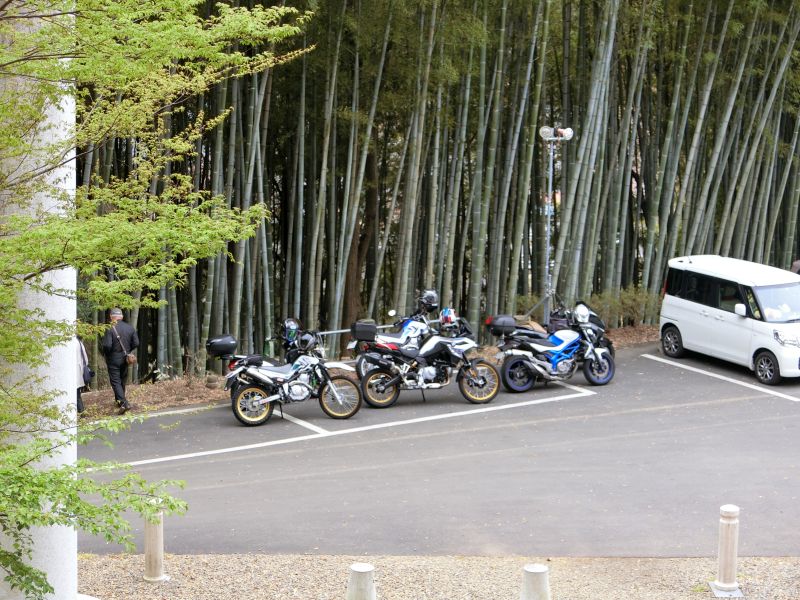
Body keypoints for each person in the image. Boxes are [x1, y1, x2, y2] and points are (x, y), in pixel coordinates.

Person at [101, 308, 138, 414]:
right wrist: (128, 350)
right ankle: (119, 401)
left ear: (111, 317)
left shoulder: (109, 328)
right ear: (121, 316)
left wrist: (107, 354)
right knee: (122, 379)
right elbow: (136, 343)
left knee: (115, 381)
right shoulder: (129, 327)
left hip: (113, 358)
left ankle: (123, 403)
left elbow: (107, 345)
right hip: (126, 357)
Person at [76, 337, 93, 415]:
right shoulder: (79, 343)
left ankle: (81, 411)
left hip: (71, 372)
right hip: (78, 371)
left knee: (76, 394)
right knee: (77, 393)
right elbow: (85, 360)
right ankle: (81, 411)